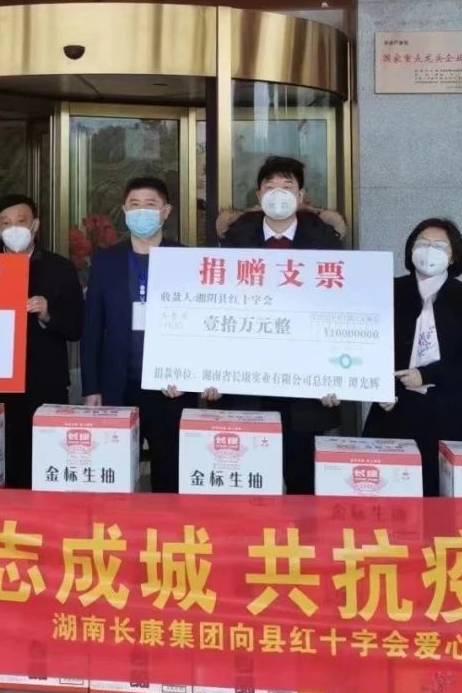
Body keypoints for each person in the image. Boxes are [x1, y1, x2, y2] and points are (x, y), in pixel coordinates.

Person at [81, 176, 215, 493]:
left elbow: (201, 327)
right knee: (115, 474)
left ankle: (166, 524)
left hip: (171, 388)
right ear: (125, 211)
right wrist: (91, 386)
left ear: (166, 211)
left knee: (169, 474)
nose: (142, 211)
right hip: (118, 383)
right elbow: (92, 327)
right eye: (135, 205)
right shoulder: (106, 261)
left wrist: (196, 375)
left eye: (150, 205)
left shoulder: (188, 260)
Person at [220, 155, 344, 495]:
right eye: (270, 186)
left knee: (302, 480)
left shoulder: (326, 241)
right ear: (258, 196)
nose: (278, 193)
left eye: (287, 186)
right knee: (249, 481)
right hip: (248, 384)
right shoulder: (234, 240)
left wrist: (337, 375)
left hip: (305, 387)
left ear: (301, 196)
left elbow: (340, 312)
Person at [0, 194, 83, 489]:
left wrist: (48, 314)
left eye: (21, 221)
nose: (13, 228)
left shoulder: (60, 268)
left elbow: (76, 328)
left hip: (44, 382)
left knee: (42, 466)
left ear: (35, 225)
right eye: (6, 223)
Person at [364, 218, 462, 496]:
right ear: (411, 249)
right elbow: (366, 344)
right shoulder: (388, 290)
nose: (429, 250)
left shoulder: (460, 297)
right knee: (384, 493)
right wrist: (376, 385)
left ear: (452, 255)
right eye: (423, 243)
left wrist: (426, 375)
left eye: (439, 245)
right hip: (393, 410)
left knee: (439, 497)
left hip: (447, 413)